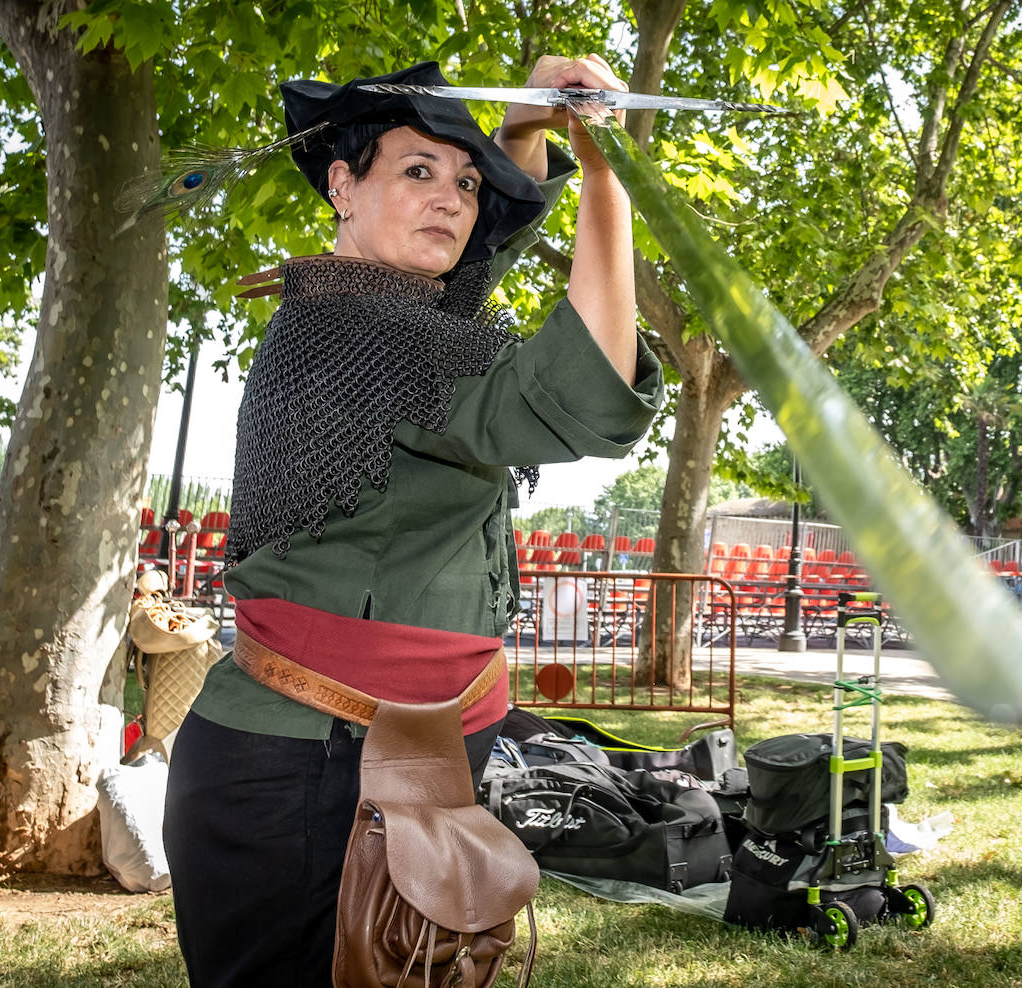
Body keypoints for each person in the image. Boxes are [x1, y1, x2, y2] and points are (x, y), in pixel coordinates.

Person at [162, 54, 663, 986]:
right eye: (418, 172)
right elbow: (590, 392)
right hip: (302, 772)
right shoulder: (361, 335)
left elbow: (464, 283)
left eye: (468, 184)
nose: (453, 200)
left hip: (404, 747)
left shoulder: (386, 314)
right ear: (343, 187)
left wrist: (522, 134)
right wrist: (603, 171)